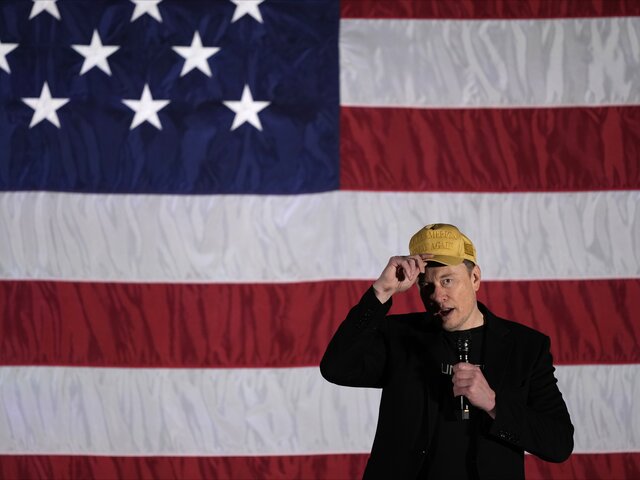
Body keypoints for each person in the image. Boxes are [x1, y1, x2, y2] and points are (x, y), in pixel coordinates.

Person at [320, 223, 574, 479]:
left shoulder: (526, 347)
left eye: (447, 280)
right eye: (426, 285)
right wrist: (381, 292)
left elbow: (559, 443)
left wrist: (494, 404)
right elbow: (336, 368)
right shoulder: (398, 336)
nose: (436, 296)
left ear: (475, 278)